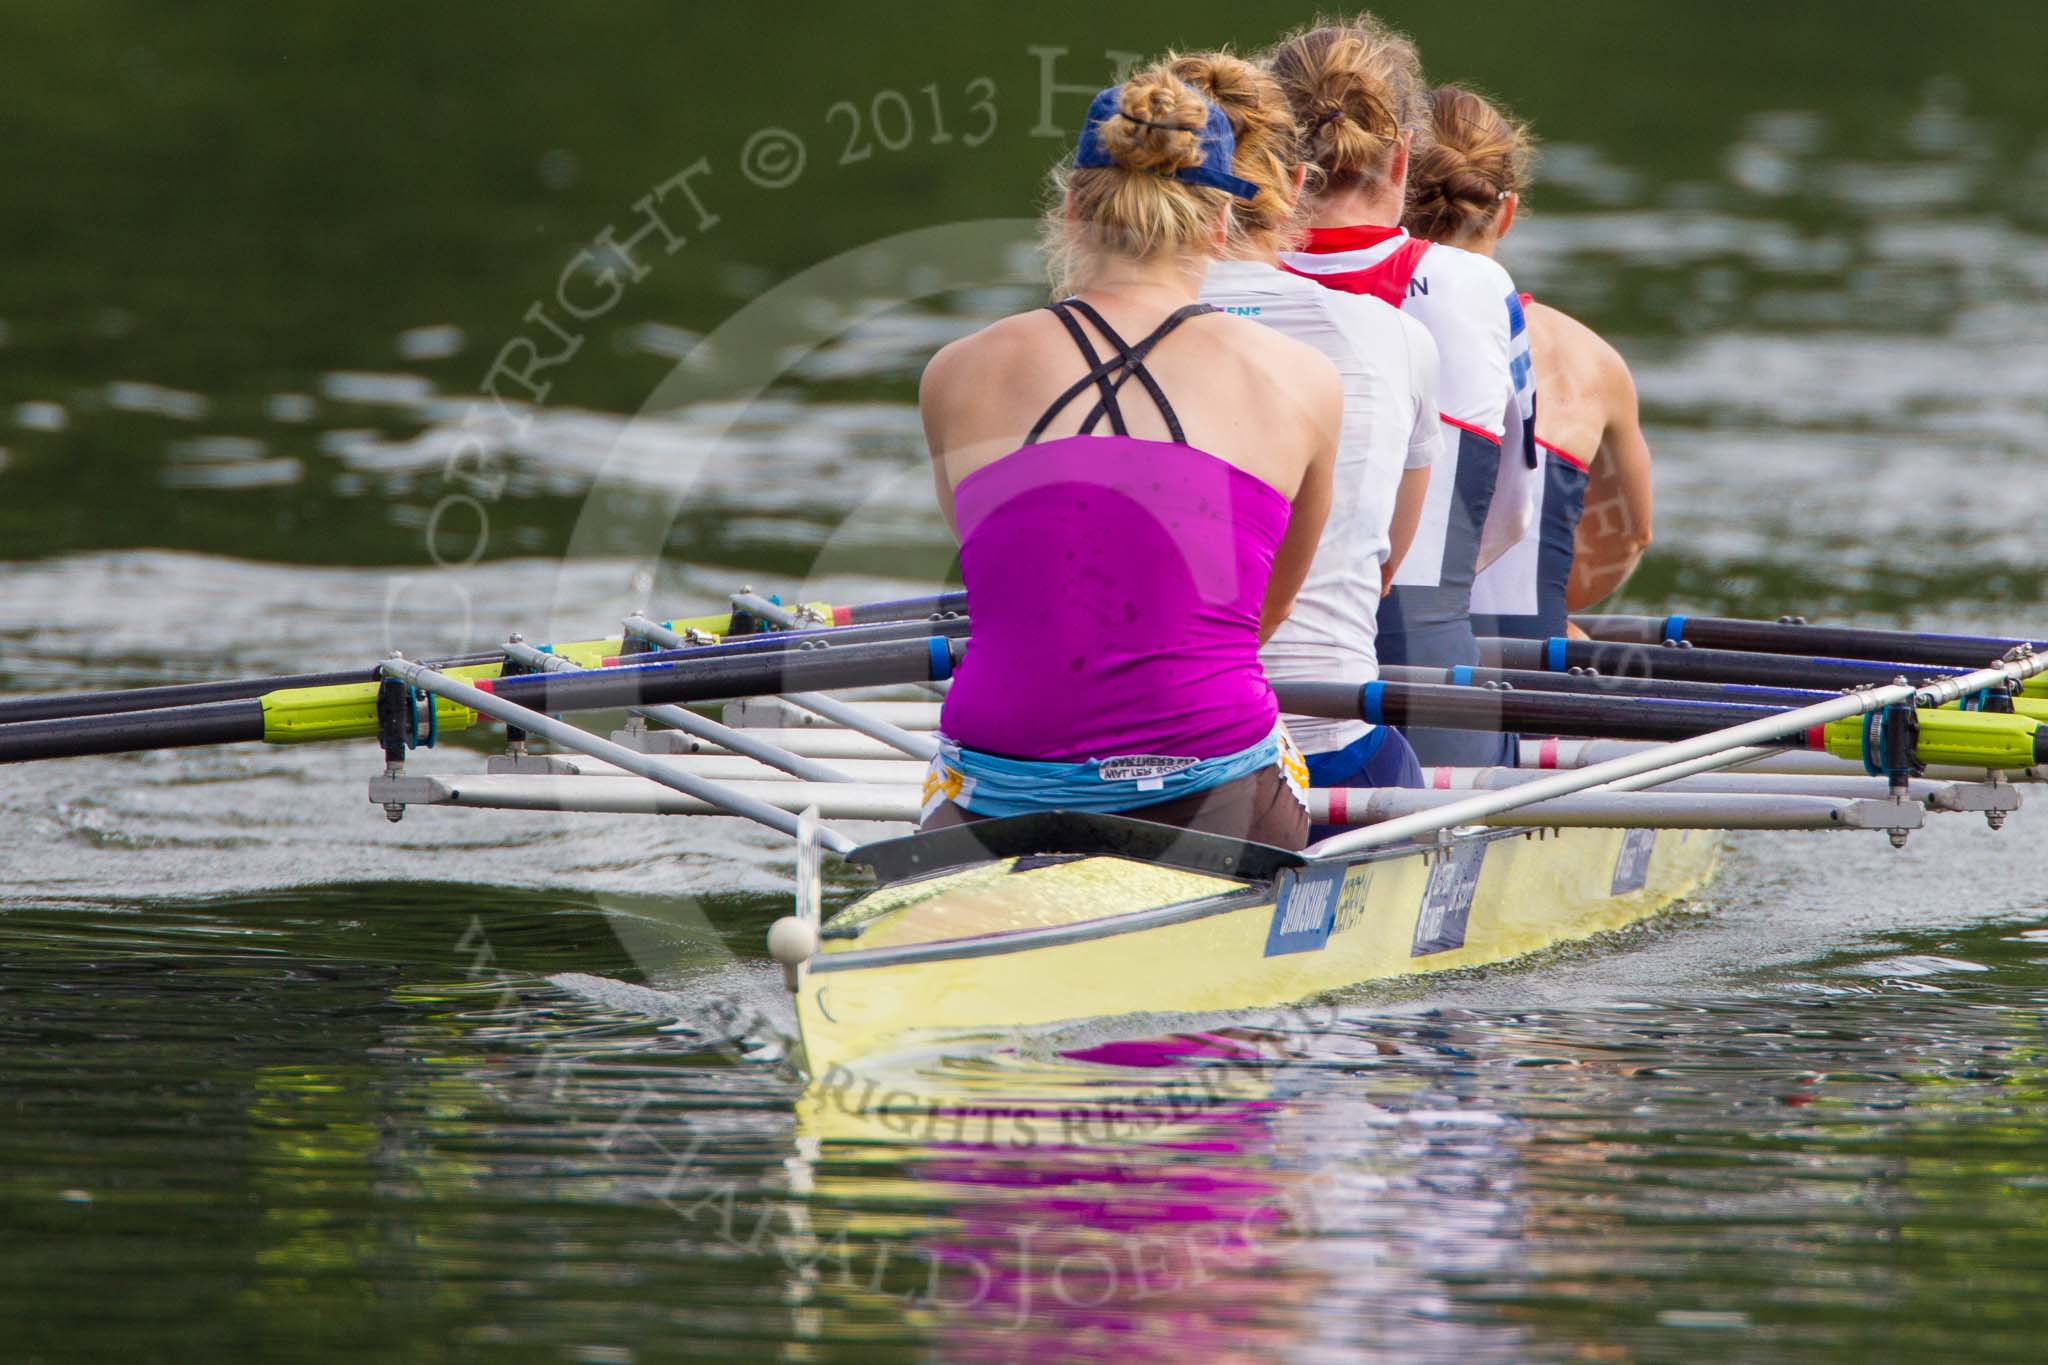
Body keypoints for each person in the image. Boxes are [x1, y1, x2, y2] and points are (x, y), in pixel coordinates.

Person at [917, 63, 1341, 850]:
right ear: (1220, 227)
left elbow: (1021, 585)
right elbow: (1263, 615)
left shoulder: (955, 370)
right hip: (1209, 791)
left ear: (1073, 211)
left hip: (1000, 791)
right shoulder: (1303, 378)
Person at [1268, 15, 1534, 768]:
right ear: (1403, 158)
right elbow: (1509, 517)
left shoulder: (1222, 284)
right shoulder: (1476, 283)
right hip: (1429, 678)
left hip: (1239, 690)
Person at [1173, 48, 1434, 794]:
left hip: (1156, 741)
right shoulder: (1397, 337)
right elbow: (1386, 570)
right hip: (1328, 743)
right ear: (1294, 186)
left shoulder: (1110, 330)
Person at [1406, 85, 1655, 640]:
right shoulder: (1590, 360)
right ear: (1507, 213)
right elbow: (1629, 541)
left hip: (1366, 661)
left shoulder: (1347, 326)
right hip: (1529, 686)